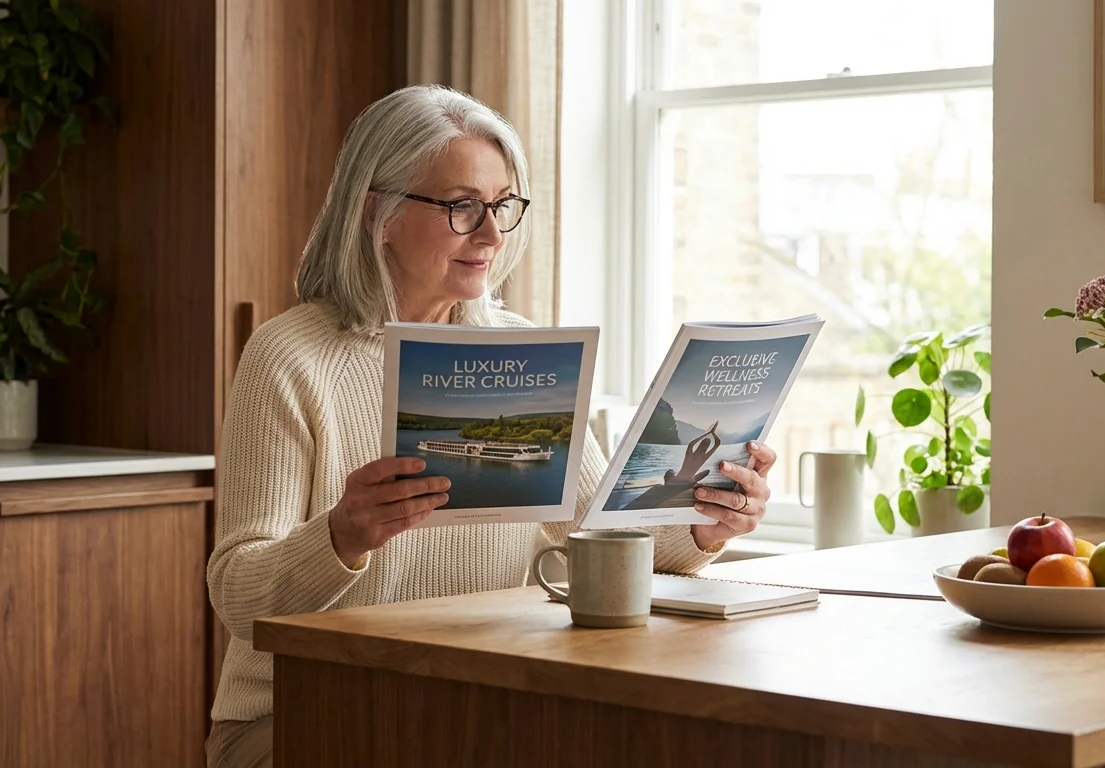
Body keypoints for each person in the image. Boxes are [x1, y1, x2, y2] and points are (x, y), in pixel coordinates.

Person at [204, 84, 777, 768]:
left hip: (481, 698)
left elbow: (604, 533)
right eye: (461, 206)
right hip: (307, 710)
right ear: (375, 211)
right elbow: (238, 596)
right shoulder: (290, 356)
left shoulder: (525, 349)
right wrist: (341, 534)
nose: (493, 234)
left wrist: (701, 523)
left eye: (503, 205)